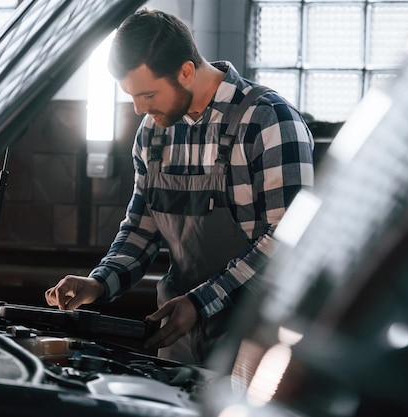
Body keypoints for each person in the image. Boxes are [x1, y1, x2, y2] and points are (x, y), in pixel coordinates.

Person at [45, 8, 314, 365]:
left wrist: (201, 301)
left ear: (186, 71)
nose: (140, 109)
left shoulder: (268, 121)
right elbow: (142, 226)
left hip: (256, 337)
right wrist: (99, 282)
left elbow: (290, 241)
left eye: (148, 95)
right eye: (132, 96)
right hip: (178, 330)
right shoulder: (154, 133)